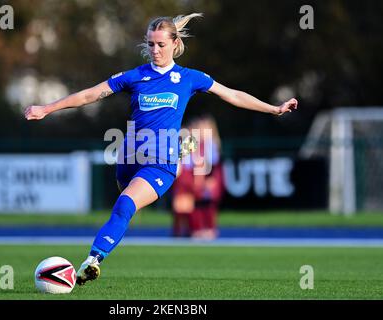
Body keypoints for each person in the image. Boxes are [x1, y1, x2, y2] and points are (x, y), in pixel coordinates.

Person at [24, 13, 298, 285]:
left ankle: (93, 259)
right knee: (125, 200)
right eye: (150, 44)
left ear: (175, 44)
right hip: (130, 155)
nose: (154, 50)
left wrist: (274, 108)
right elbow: (90, 95)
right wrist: (47, 108)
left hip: (159, 164)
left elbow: (233, 95)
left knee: (124, 206)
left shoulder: (190, 78)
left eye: (161, 45)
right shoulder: (135, 77)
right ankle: (178, 152)